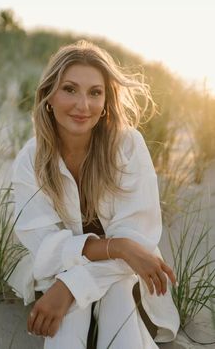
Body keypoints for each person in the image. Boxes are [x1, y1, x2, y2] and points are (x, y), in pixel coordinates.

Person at [9, 40, 180, 349]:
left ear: (105, 101)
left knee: (118, 302)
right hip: (60, 271)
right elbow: (45, 248)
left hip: (122, 275)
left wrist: (70, 287)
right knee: (67, 328)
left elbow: (138, 245)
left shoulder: (127, 146)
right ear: (49, 96)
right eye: (70, 89)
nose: (83, 105)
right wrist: (119, 247)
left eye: (95, 92)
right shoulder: (29, 161)